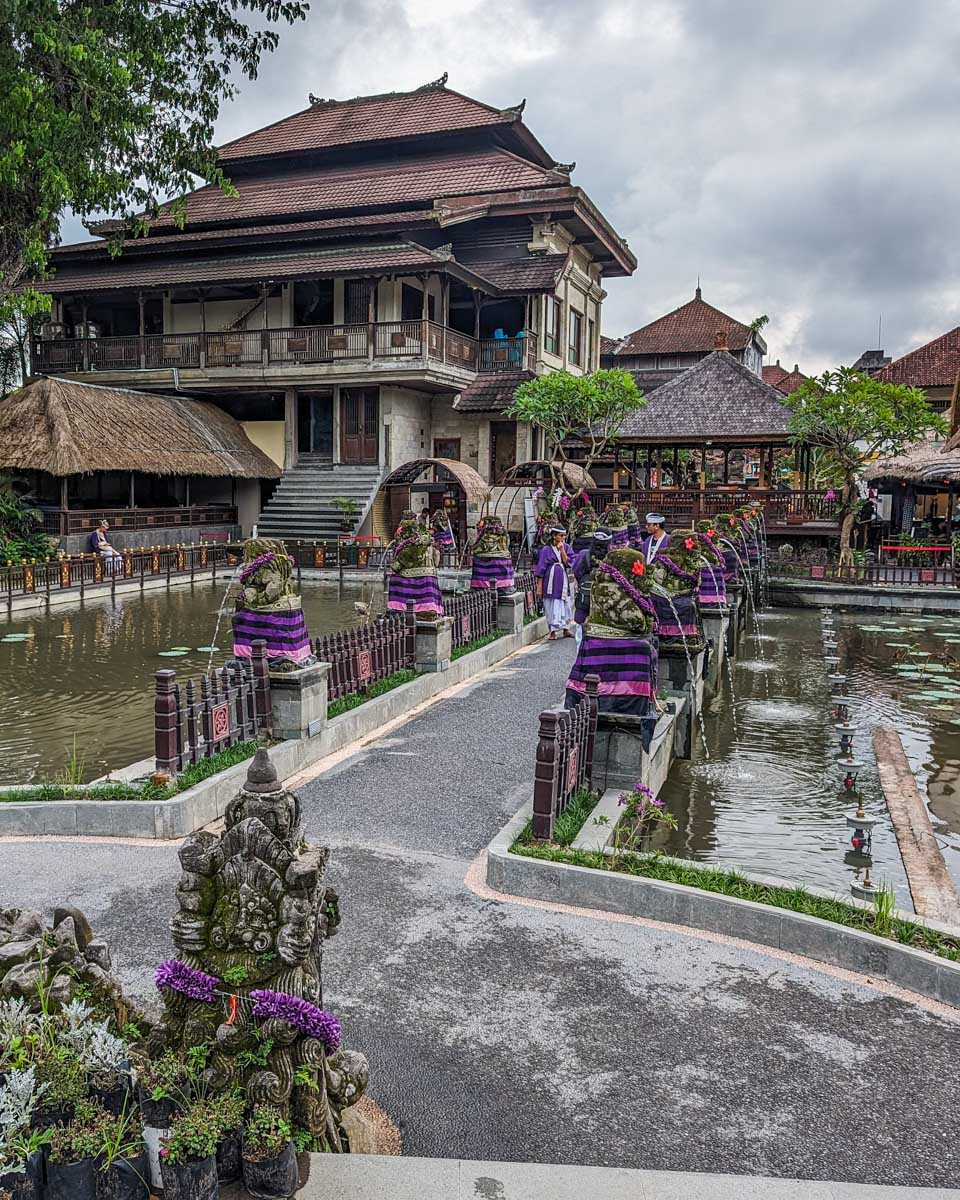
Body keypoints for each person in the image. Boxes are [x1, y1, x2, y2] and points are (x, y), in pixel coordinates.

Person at [572, 528, 612, 645]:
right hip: (604, 604)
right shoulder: (611, 558)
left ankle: (580, 661)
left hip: (585, 601)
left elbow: (576, 572)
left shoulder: (583, 555)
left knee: (581, 636)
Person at [535, 525, 574, 640]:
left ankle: (566, 629)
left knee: (565, 603)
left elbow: (569, 563)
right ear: (554, 536)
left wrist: (562, 551)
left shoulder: (566, 547)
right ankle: (552, 632)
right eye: (560, 535)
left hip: (563, 580)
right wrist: (539, 587)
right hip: (550, 580)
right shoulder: (546, 550)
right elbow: (541, 568)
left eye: (564, 536)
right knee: (551, 604)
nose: (563, 538)